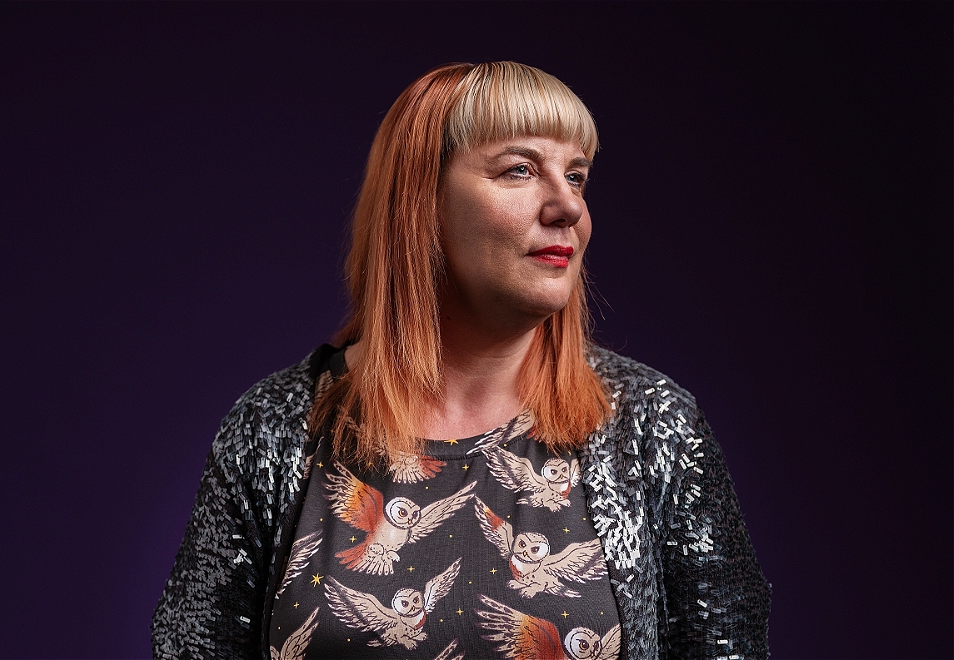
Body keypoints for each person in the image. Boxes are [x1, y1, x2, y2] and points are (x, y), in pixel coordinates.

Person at [152, 61, 770, 660]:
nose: (569, 208)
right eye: (520, 170)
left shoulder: (653, 425)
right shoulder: (275, 426)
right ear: (420, 202)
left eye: (577, 176)